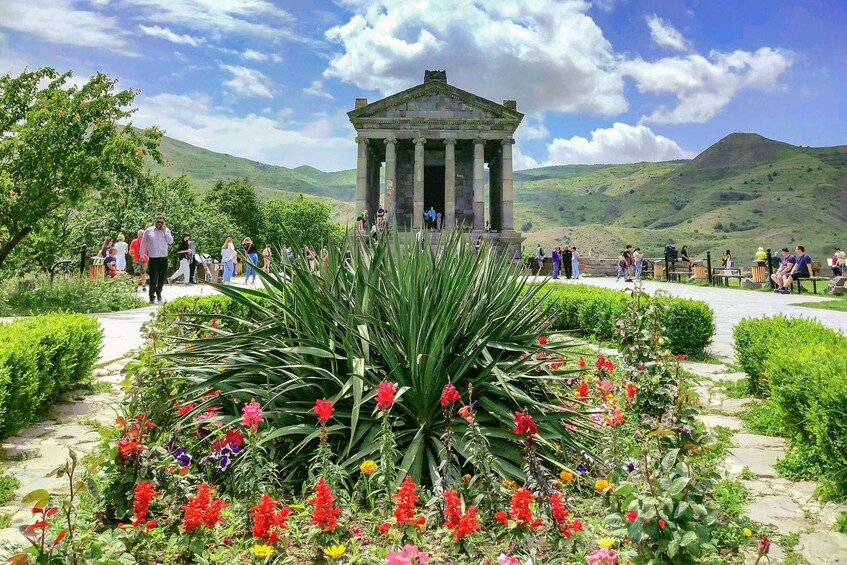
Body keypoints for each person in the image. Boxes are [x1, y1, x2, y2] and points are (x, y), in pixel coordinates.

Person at [141, 214, 173, 304]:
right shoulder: (148, 231)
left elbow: (170, 241)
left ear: (164, 222)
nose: (159, 223)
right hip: (153, 258)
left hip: (163, 257)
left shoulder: (167, 231)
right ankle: (152, 296)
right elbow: (143, 244)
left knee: (162, 278)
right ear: (155, 221)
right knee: (153, 278)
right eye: (158, 221)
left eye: (161, 222)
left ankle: (159, 292)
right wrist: (142, 255)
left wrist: (165, 231)